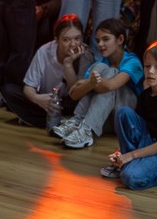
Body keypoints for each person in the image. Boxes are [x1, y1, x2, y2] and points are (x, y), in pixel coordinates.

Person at [102, 39, 157, 189]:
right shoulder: (146, 94)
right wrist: (121, 153)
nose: (150, 71)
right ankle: (126, 162)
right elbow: (137, 130)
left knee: (130, 177)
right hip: (148, 141)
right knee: (123, 113)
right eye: (147, 66)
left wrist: (131, 155)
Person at [57, 16, 142, 149]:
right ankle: (78, 122)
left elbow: (111, 85)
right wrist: (89, 83)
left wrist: (89, 83)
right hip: (104, 119)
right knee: (100, 68)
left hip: (126, 120)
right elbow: (73, 94)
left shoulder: (132, 61)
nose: (100, 44)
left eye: (105, 39)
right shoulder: (99, 64)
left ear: (120, 40)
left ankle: (86, 129)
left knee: (110, 72)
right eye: (97, 40)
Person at [3, 13, 90, 130]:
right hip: (45, 99)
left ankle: (40, 119)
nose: (73, 44)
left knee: (82, 102)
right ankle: (59, 121)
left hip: (67, 102)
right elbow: (29, 87)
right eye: (66, 40)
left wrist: (68, 64)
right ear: (56, 40)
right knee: (8, 90)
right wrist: (37, 99)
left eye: (77, 38)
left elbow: (75, 94)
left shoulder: (85, 55)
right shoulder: (44, 51)